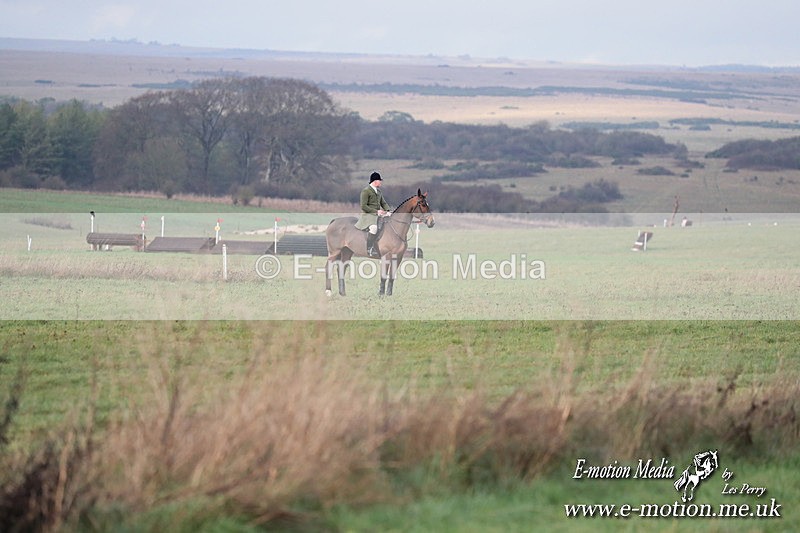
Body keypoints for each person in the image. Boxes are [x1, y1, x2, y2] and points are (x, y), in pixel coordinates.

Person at [355, 171, 391, 257]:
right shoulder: (366, 191)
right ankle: (369, 248)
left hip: (378, 215)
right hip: (368, 215)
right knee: (374, 228)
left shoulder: (379, 192)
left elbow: (383, 203)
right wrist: (376, 211)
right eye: (379, 180)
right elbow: (363, 206)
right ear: (375, 181)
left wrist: (388, 211)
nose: (381, 182)